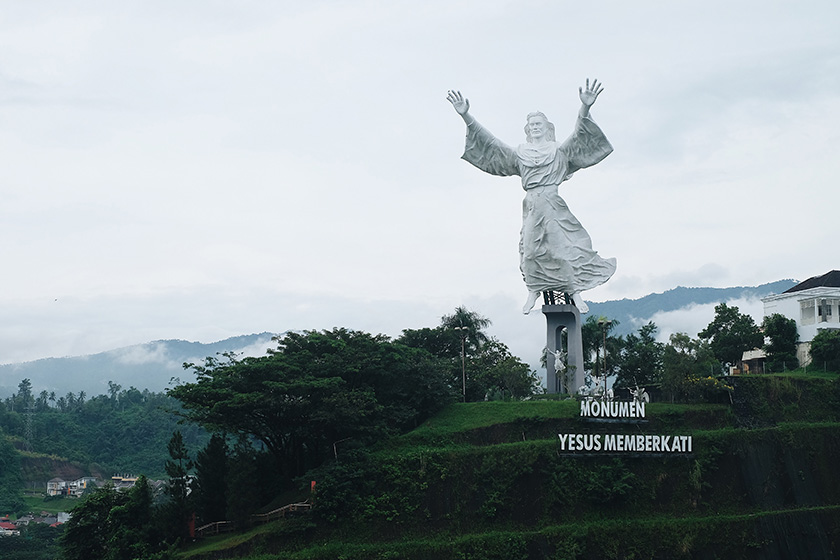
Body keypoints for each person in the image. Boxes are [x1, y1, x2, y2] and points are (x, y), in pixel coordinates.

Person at [447, 79, 616, 314]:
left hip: (552, 203)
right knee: (530, 250)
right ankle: (533, 291)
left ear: (546, 127)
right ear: (527, 129)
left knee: (561, 250)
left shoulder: (559, 150)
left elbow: (580, 135)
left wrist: (585, 108)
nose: (535, 127)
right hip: (532, 205)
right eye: (531, 124)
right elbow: (491, 145)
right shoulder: (520, 153)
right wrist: (467, 116)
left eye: (539, 123)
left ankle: (575, 292)